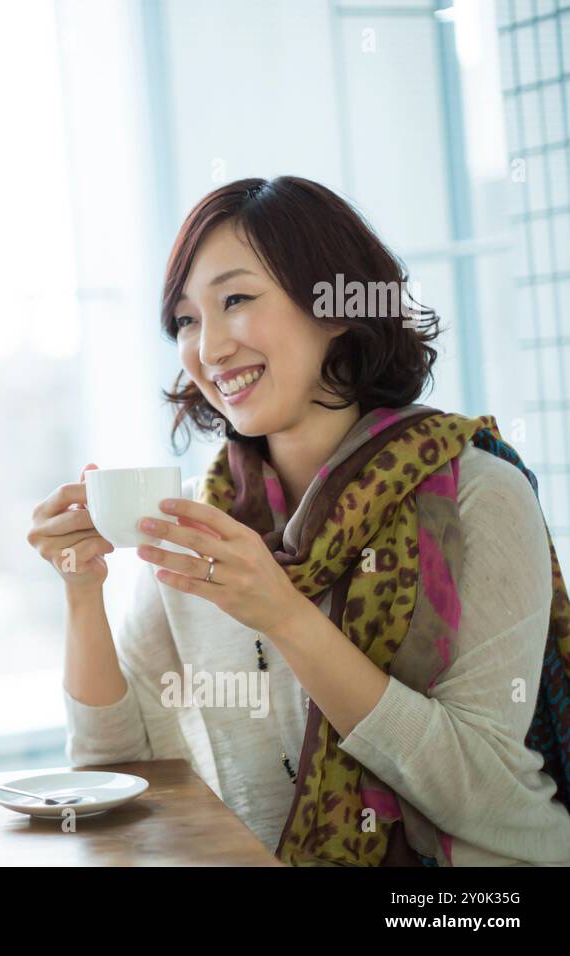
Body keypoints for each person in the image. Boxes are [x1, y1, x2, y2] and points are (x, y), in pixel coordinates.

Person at [28, 175, 570, 866]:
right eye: (186, 319)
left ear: (336, 304)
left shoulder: (478, 495)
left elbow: (485, 791)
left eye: (236, 300)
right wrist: (81, 590)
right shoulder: (204, 521)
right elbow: (118, 771)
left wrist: (285, 616)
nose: (210, 347)